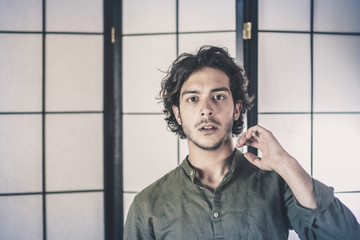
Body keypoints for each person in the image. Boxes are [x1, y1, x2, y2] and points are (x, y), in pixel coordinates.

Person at [124, 46, 360, 239]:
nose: (206, 110)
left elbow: (346, 235)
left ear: (236, 109)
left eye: (218, 97)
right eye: (193, 99)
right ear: (178, 114)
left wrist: (286, 164)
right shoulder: (147, 206)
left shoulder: (277, 184)